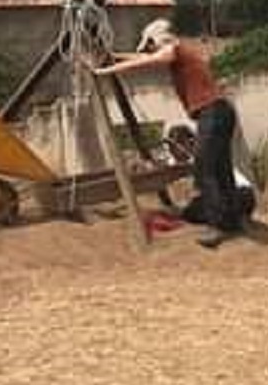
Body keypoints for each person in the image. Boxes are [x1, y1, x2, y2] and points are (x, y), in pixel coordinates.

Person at [97, 20, 246, 249]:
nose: (150, 50)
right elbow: (144, 58)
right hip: (221, 112)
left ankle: (217, 225)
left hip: (213, 112)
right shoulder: (180, 51)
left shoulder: (175, 49)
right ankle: (232, 220)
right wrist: (114, 56)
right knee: (220, 168)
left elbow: (149, 60)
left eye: (150, 45)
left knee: (204, 168)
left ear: (158, 40)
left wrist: (105, 70)